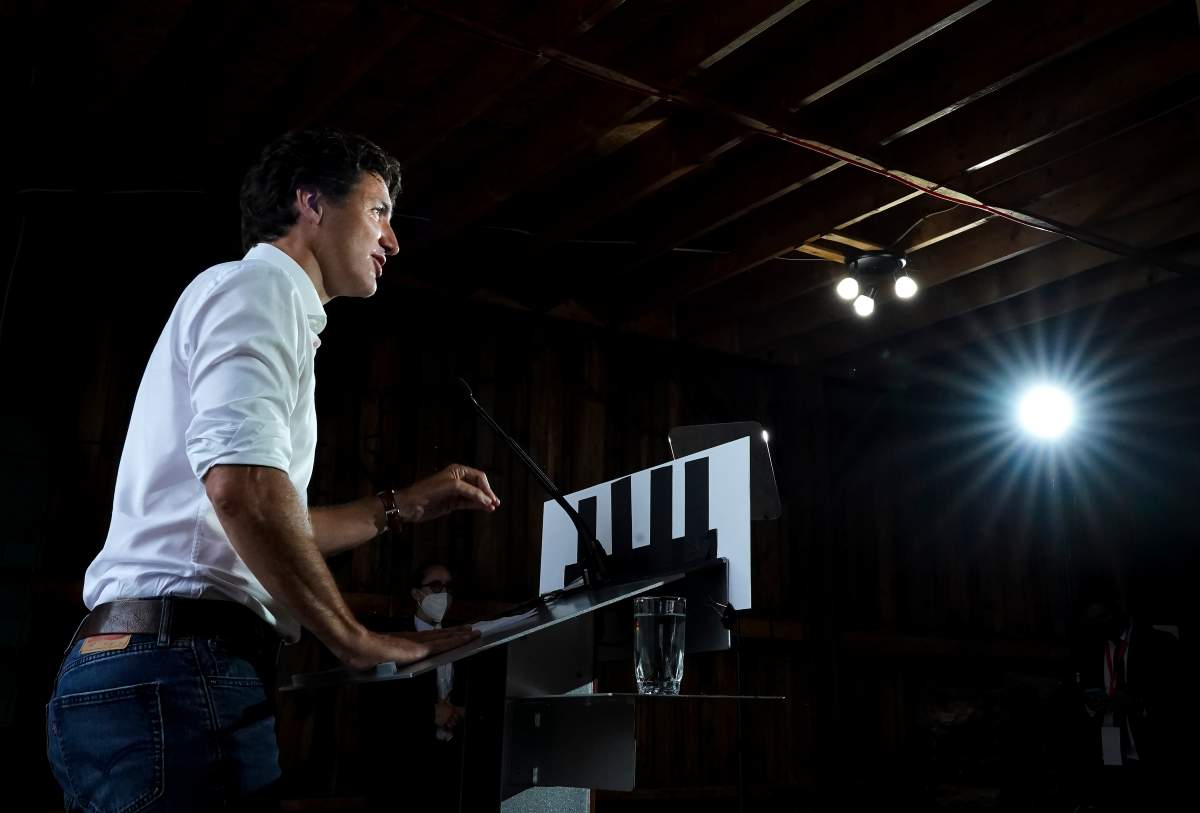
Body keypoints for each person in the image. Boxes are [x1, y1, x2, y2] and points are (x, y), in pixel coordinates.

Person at [45, 129, 501, 811]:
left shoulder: (255, 300)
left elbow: (262, 516)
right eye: (378, 211)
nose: (393, 240)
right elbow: (245, 493)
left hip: (144, 668)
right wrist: (352, 636)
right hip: (181, 669)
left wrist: (400, 504)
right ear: (311, 201)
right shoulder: (263, 290)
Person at [1068, 575, 1183, 810]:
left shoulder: (1160, 644)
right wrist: (1091, 705)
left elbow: (1175, 701)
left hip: (1154, 758)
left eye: (1102, 617)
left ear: (1118, 610)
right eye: (1091, 621)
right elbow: (1078, 697)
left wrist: (1136, 702)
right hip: (1109, 760)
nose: (1098, 625)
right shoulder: (1089, 648)